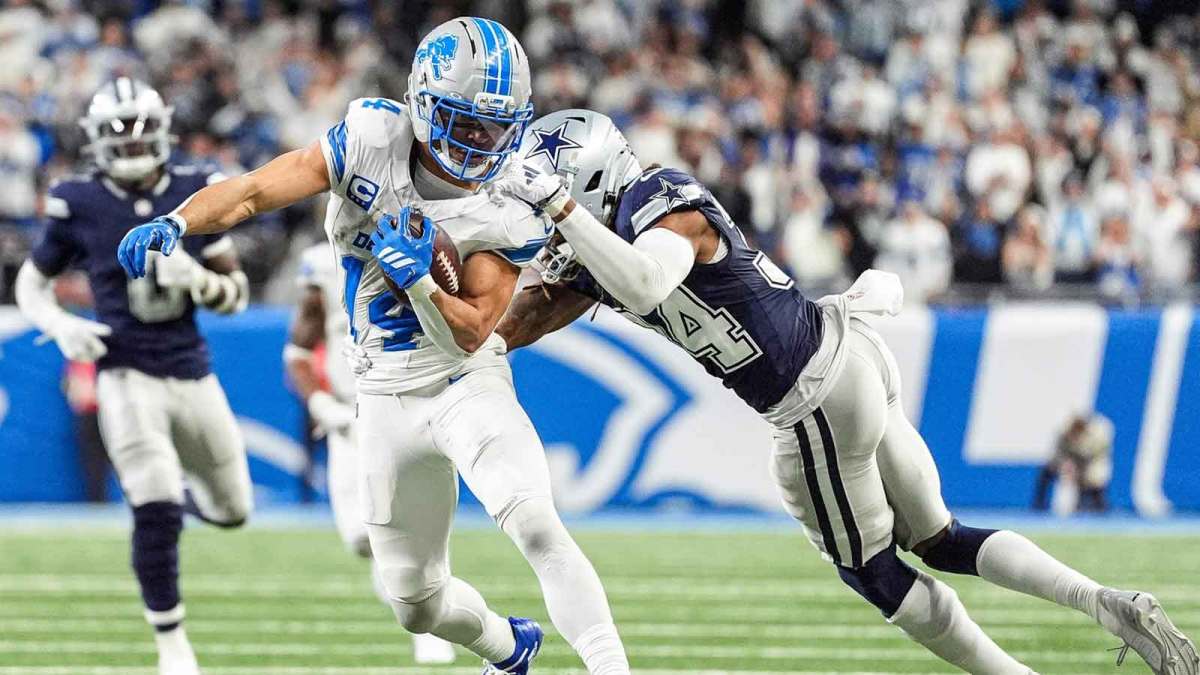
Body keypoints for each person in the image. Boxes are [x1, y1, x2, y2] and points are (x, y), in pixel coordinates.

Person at [499, 108, 1199, 675]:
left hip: (812, 398)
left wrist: (561, 209)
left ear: (584, 179)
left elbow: (649, 280)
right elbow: (512, 326)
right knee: (941, 537)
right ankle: (1104, 601)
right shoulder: (604, 241)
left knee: (875, 573)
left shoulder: (660, 200)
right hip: (846, 358)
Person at [116, 19, 630, 675]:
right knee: (414, 600)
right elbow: (251, 190)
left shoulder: (511, 202)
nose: (481, 142)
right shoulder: (368, 139)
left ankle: (612, 665)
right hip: (380, 395)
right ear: (421, 102)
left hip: (463, 382)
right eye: (466, 123)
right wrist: (178, 219)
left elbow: (473, 329)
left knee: (532, 519)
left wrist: (417, 280)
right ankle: (508, 647)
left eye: (497, 127)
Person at [15, 78, 252, 675]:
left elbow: (237, 295)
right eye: (116, 136)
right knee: (154, 504)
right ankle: (172, 643)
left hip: (192, 371)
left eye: (137, 132)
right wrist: (57, 323)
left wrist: (198, 282)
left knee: (232, 511)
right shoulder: (78, 199)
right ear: (97, 141)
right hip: (124, 372)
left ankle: (184, 504)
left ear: (163, 131)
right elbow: (31, 282)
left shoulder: (196, 190)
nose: (128, 145)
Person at [284, 241, 456, 665]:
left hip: (413, 398)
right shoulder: (323, 264)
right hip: (351, 412)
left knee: (416, 523)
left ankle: (433, 624)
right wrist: (322, 404)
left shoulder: (427, 245)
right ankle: (417, 603)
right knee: (363, 538)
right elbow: (298, 352)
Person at [1034, 413, 1114, 514]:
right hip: (1070, 461)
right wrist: (1065, 466)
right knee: (1046, 471)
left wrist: (1079, 469)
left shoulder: (1099, 433)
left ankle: (1098, 507)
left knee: (1094, 480)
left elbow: (1096, 455)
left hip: (1091, 463)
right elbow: (1058, 454)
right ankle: (1039, 506)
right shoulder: (1063, 433)